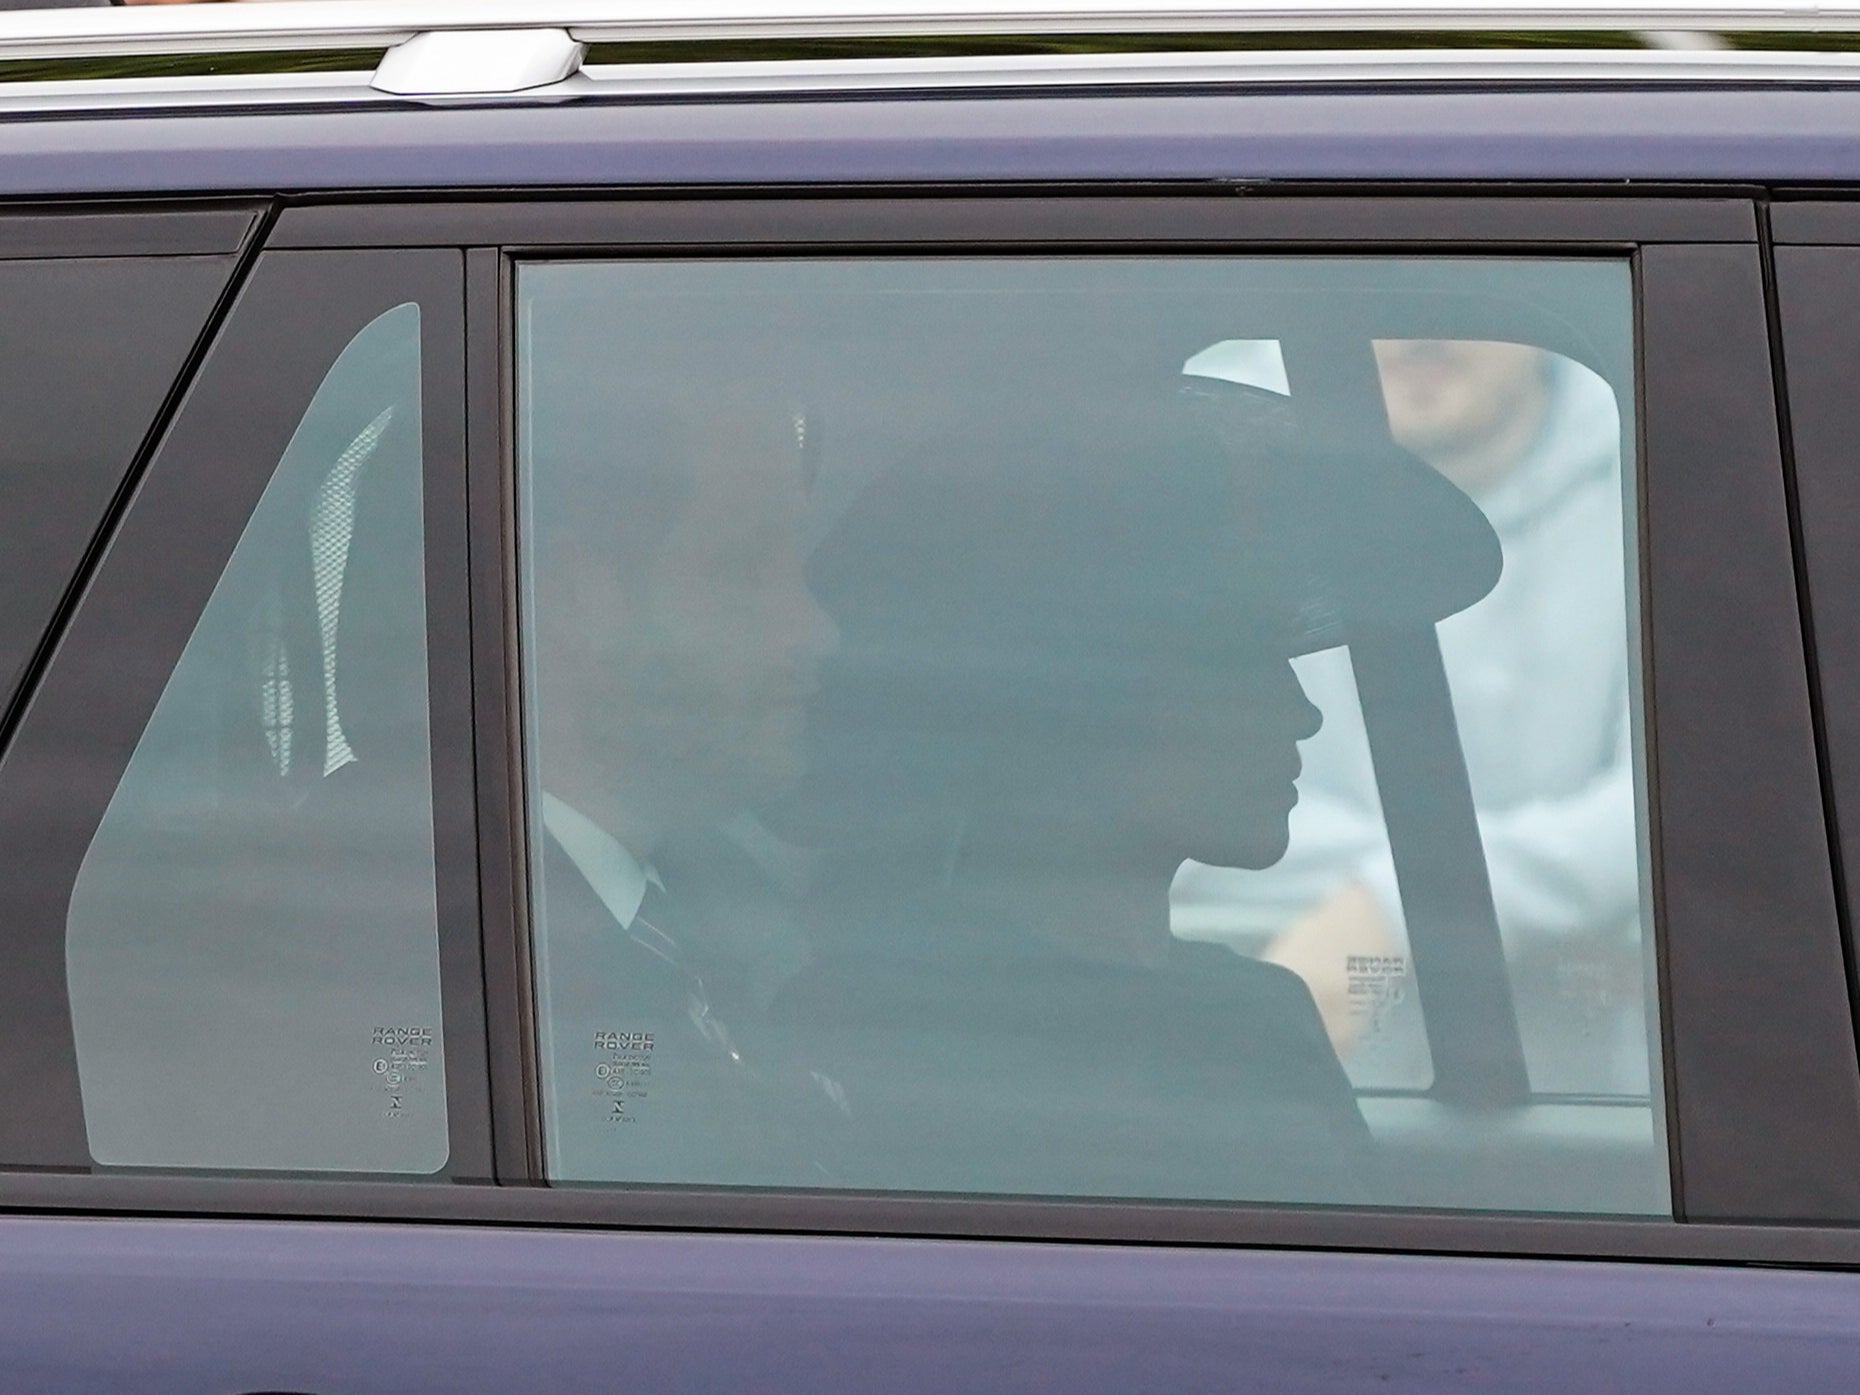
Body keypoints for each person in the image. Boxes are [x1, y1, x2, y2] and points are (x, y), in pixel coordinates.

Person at [767, 374, 1503, 1203]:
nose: (1300, 712)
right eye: (1235, 663)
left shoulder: (1260, 1015)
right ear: (1081, 701)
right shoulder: (887, 1040)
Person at [1174, 340, 1645, 1094]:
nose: (1419, 333)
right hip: (1278, 1085)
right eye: (1376, 295)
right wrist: (1534, 887)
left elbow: (1686, 805)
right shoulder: (1206, 455)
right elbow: (1156, 765)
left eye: (1446, 286)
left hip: (1595, 1115)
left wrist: (1389, 910)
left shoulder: (1659, 458)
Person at [524, 383, 842, 1183]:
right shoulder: (408, 972)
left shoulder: (722, 918)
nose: (817, 630)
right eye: (743, 569)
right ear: (576, 599)